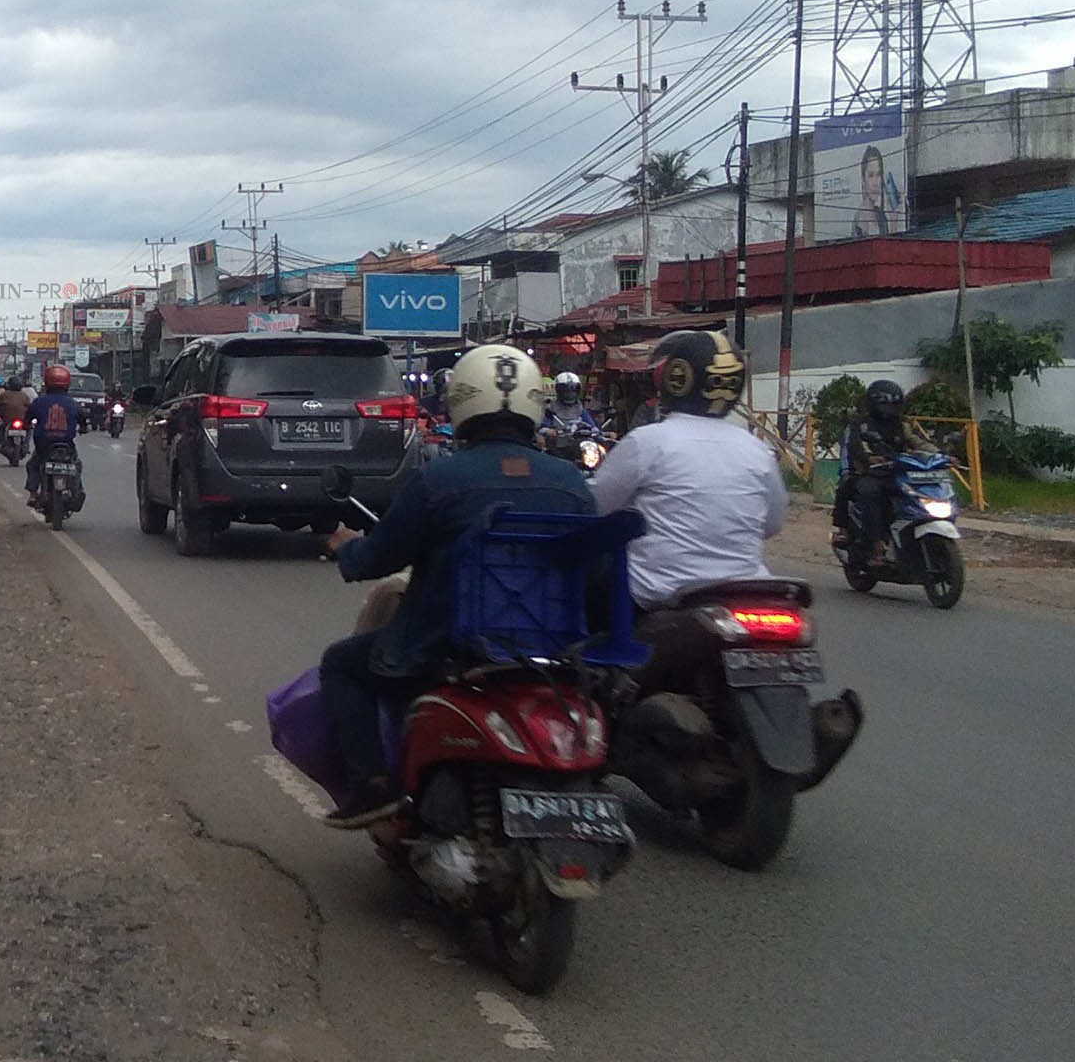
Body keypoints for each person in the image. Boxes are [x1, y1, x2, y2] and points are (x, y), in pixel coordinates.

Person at [312, 345, 597, 828]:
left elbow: (379, 555)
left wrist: (347, 549)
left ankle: (374, 786)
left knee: (340, 665)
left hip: (446, 645)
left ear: (460, 401)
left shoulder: (440, 479)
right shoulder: (570, 482)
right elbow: (597, 568)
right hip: (555, 650)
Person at [590, 330, 783, 611]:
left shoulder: (647, 442)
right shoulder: (757, 450)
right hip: (745, 591)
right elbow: (772, 524)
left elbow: (595, 507)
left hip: (656, 594)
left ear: (675, 379)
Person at [834, 379, 910, 561]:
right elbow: (854, 446)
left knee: (912, 492)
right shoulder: (860, 425)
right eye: (886, 405)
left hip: (893, 473)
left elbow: (918, 442)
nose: (890, 410)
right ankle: (875, 544)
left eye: (894, 405)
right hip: (867, 473)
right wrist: (867, 458)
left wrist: (940, 455)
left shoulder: (900, 425)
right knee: (869, 493)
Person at [25, 362, 87, 504]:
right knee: (76, 465)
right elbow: (83, 418)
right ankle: (77, 491)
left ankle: (33, 494)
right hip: (66, 445)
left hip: (43, 446)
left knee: (33, 465)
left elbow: (27, 419)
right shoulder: (72, 403)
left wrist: (27, 426)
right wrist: (83, 428)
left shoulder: (39, 402)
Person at [540, 370, 603, 457]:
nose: (570, 394)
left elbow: (592, 426)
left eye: (573, 390)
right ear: (559, 391)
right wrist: (549, 431)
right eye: (566, 391)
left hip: (579, 446)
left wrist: (602, 434)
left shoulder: (580, 408)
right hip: (558, 448)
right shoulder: (551, 408)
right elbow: (542, 428)